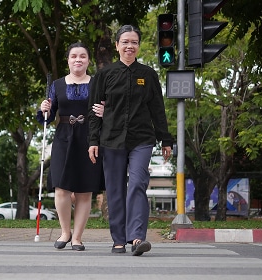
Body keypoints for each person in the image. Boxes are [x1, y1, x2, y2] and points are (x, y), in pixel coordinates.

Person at [87, 25, 173, 256]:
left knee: (137, 183)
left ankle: (136, 238)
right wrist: (93, 140)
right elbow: (93, 111)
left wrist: (166, 140)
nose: (129, 46)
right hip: (111, 139)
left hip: (142, 139)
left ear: (138, 46)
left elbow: (158, 109)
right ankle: (118, 239)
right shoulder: (104, 75)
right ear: (117, 46)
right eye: (125, 41)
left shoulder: (148, 74)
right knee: (114, 190)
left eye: (134, 42)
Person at [36, 42, 105, 251]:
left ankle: (77, 237)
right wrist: (44, 109)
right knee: (61, 188)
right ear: (68, 60)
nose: (78, 59)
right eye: (74, 56)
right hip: (63, 137)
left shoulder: (97, 83)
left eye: (82, 56)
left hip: (90, 138)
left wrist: (106, 111)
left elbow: (106, 111)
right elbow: (46, 119)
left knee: (85, 190)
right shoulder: (56, 85)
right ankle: (65, 232)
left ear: (88, 60)